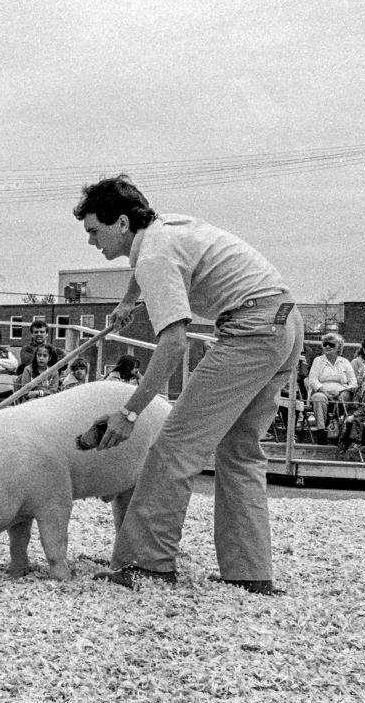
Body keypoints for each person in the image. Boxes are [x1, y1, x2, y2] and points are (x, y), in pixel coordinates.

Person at [76, 175, 302, 596]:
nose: (91, 241)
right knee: (239, 451)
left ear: (122, 223)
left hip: (251, 330)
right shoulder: (163, 229)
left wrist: (129, 412)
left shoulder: (153, 257)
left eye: (94, 230)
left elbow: (174, 342)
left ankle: (147, 565)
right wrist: (129, 300)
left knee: (174, 446)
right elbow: (147, 263)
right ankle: (249, 572)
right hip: (286, 322)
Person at [306, 334, 356, 441]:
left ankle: (338, 429)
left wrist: (340, 391)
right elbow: (312, 380)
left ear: (339, 347)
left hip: (341, 393)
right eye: (325, 344)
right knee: (318, 397)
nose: (327, 347)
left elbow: (353, 383)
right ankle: (321, 432)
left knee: (345, 396)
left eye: (331, 345)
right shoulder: (318, 361)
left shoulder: (345, 362)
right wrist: (325, 392)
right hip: (322, 391)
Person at [336, 367, 365, 459]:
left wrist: (354, 415)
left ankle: (356, 441)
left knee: (356, 420)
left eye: (360, 376)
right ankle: (345, 440)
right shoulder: (359, 389)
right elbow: (352, 389)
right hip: (358, 412)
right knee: (347, 418)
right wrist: (342, 391)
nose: (357, 377)